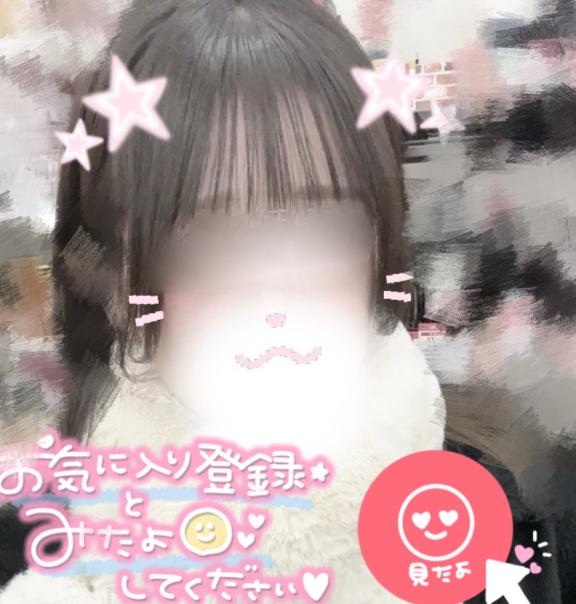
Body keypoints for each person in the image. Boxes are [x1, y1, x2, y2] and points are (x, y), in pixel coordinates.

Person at [0, 0, 574, 602]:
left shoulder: (494, 519)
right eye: (206, 237)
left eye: (325, 226)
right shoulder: (38, 550)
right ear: (110, 274)